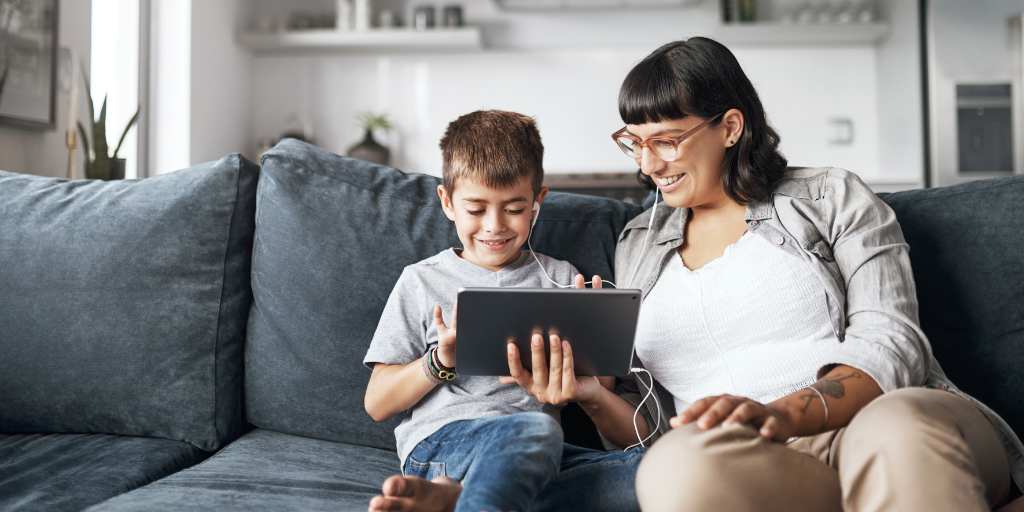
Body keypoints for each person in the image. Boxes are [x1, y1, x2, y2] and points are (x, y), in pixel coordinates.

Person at [506, 37, 1024, 511]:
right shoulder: (637, 245)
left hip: (880, 421)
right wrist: (593, 395)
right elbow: (656, 432)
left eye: (666, 141)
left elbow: (893, 343)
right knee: (676, 462)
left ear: (730, 127)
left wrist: (777, 414)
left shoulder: (831, 197)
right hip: (771, 466)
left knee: (897, 427)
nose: (648, 165)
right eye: (634, 142)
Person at [363, 110, 642, 512]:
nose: (494, 226)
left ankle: (455, 500)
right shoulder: (422, 281)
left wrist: (593, 341)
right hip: (446, 444)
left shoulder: (561, 277)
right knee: (536, 430)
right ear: (447, 202)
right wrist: (441, 361)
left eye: (513, 209)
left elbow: (604, 388)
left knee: (650, 472)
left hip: (540, 456)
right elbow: (378, 403)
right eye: (476, 209)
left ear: (537, 202)